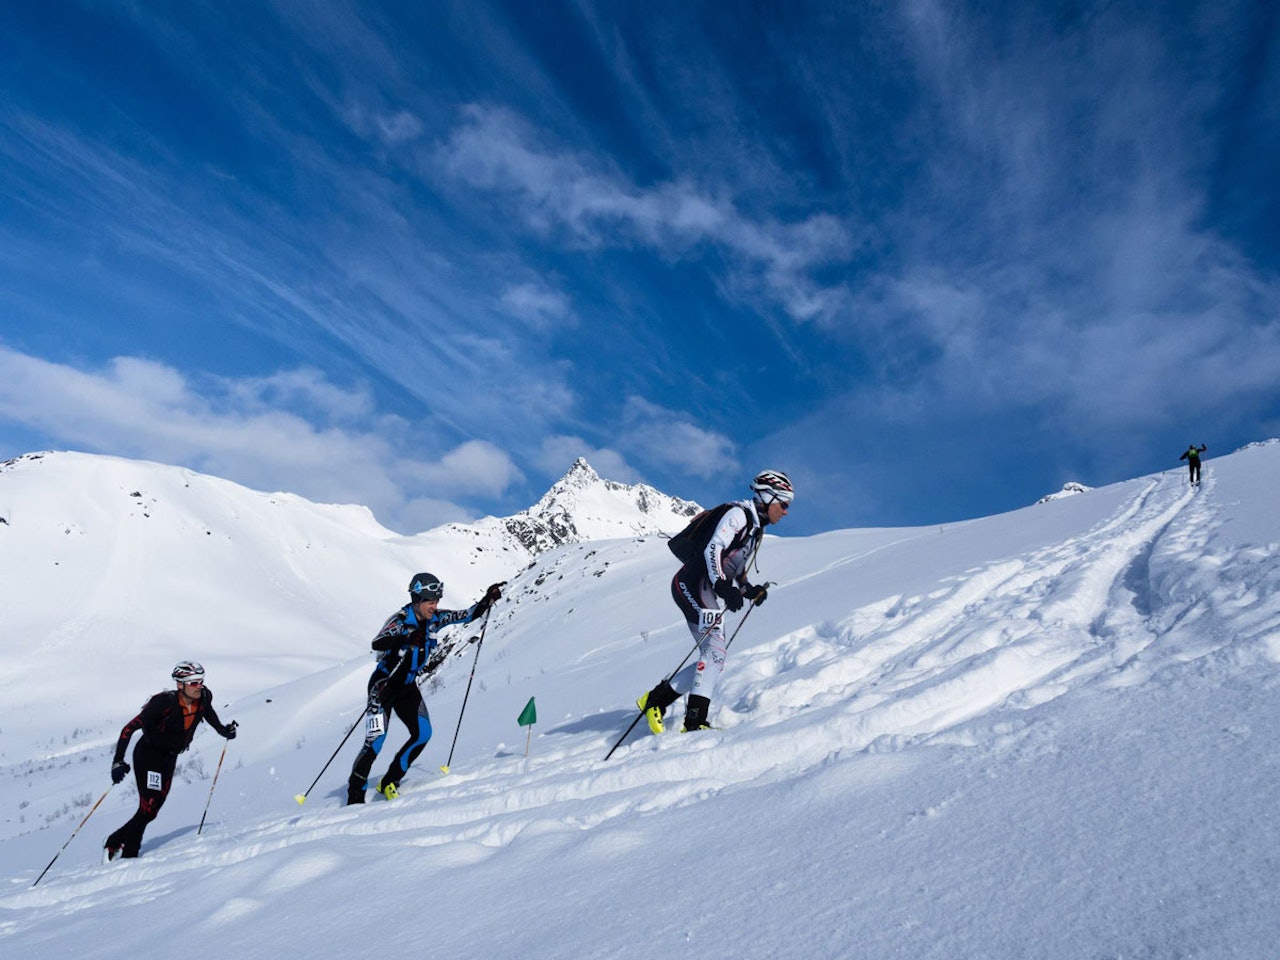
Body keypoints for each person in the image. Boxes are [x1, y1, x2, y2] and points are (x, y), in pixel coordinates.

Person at [637, 469, 793, 734]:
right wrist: (723, 586)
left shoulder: (755, 530)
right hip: (690, 585)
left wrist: (747, 589)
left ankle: (656, 701)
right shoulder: (738, 515)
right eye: (784, 504)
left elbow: (735, 569)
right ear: (768, 497)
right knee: (714, 652)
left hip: (704, 588)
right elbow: (714, 548)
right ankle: (694, 722)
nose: (786, 511)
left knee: (714, 656)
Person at [347, 573, 504, 803]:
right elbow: (377, 642)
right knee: (376, 742)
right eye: (430, 601)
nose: (435, 606)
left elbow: (466, 615)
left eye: (437, 601)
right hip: (384, 685)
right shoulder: (400, 620)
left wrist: (486, 600)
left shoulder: (435, 619)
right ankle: (355, 795)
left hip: (407, 686)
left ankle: (389, 781)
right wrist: (406, 637)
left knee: (423, 734)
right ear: (417, 600)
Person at [103, 661, 237, 860]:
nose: (198, 686)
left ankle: (114, 841)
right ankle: (128, 856)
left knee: (152, 810)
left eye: (200, 681)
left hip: (169, 757)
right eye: (193, 683)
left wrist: (222, 730)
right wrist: (118, 761)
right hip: (148, 755)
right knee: (148, 805)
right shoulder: (163, 703)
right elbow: (128, 729)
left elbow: (207, 712)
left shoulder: (204, 697)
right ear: (179, 684)